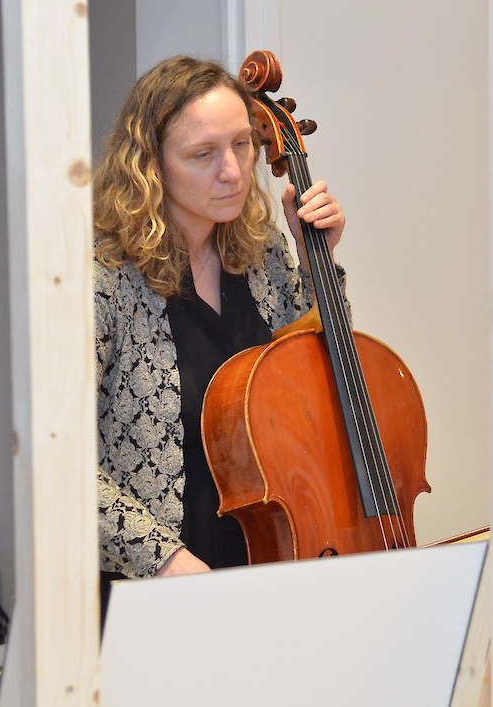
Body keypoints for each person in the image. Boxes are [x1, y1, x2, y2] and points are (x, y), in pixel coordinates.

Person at [92, 56, 346, 601]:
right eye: (203, 154)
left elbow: (324, 389)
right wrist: (167, 562)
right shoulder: (102, 280)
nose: (232, 171)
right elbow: (60, 463)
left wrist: (316, 259)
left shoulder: (264, 253)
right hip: (153, 591)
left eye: (241, 145)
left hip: (267, 562)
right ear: (150, 164)